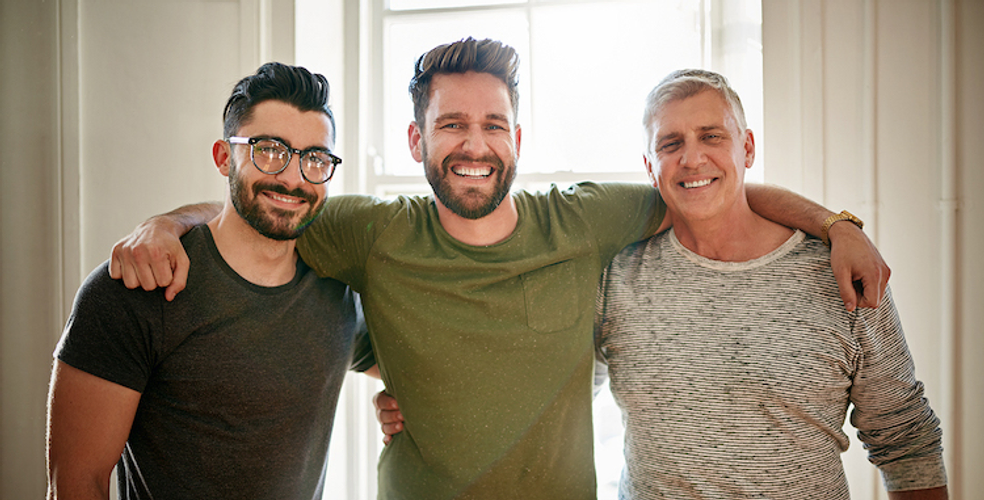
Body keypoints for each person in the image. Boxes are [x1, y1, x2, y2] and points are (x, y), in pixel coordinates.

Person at [108, 39, 890, 499]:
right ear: (417, 143)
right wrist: (166, 224)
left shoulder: (583, 221)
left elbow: (707, 187)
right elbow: (262, 202)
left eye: (492, 125)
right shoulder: (370, 233)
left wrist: (835, 224)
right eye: (451, 125)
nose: (474, 145)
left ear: (519, 137)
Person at [592, 69, 946, 499]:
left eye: (711, 136)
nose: (692, 158)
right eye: (671, 143)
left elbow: (905, 439)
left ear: (747, 148)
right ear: (650, 167)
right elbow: (560, 405)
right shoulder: (616, 277)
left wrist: (839, 228)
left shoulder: (840, 272)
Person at [46, 63, 373, 500]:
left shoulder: (339, 293)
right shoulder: (133, 289)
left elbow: (417, 373)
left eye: (314, 158)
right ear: (224, 158)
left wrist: (400, 412)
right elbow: (75, 484)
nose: (294, 178)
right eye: (270, 150)